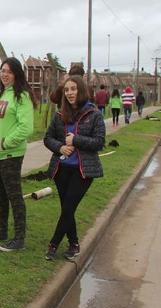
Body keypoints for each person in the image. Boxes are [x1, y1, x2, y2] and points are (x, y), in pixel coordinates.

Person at [43, 76, 105, 260]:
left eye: (73, 89)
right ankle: (74, 243)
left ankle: (53, 243)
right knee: (66, 208)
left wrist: (75, 140)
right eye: (67, 90)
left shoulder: (94, 114)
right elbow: (48, 138)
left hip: (83, 171)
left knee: (69, 207)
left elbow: (99, 142)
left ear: (81, 90)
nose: (69, 93)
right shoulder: (59, 114)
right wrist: (60, 147)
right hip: (61, 169)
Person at [0, 57, 36, 252]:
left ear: (16, 74)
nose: (4, 74)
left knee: (14, 196)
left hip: (10, 154)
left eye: (9, 71)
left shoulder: (21, 96)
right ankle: (1, 230)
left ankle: (19, 238)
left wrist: (7, 143)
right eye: (2, 70)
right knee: (0, 194)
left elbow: (26, 127)